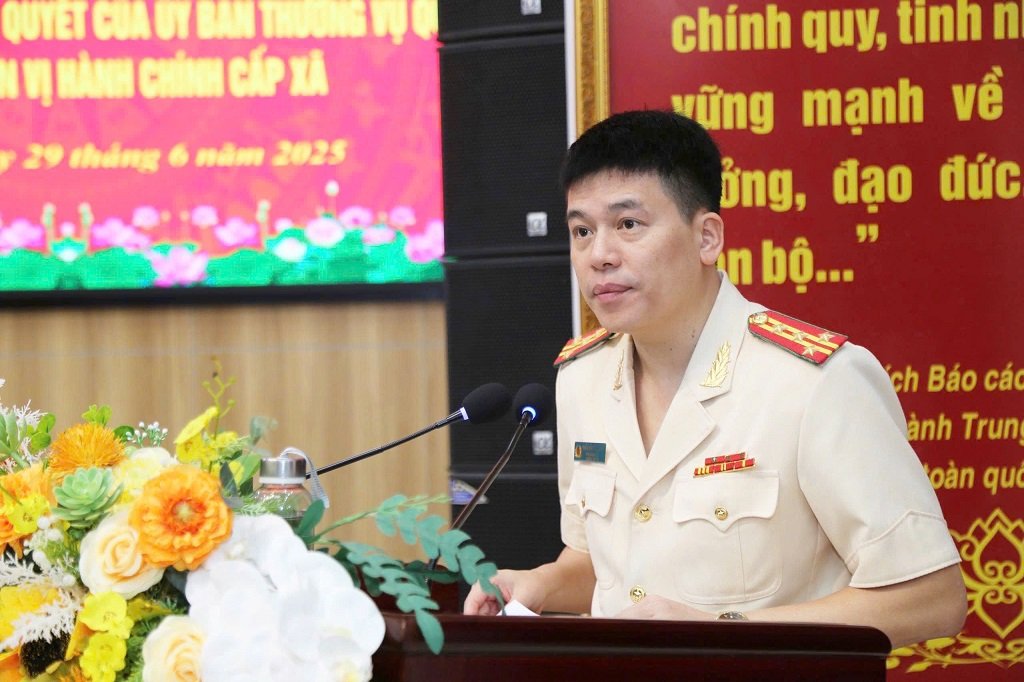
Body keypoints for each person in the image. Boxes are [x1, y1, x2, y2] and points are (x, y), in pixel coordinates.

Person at [463, 110, 967, 648]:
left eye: (628, 225)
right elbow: (605, 565)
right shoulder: (581, 378)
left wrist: (724, 632)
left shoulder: (813, 382)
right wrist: (536, 585)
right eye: (581, 231)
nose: (599, 256)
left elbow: (932, 597)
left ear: (707, 238)